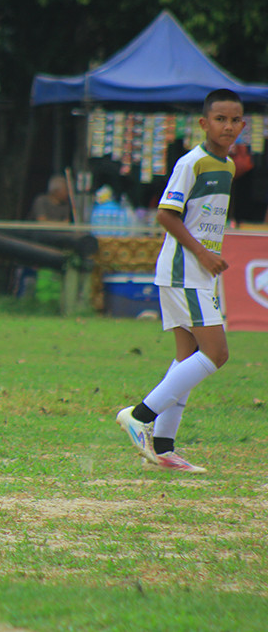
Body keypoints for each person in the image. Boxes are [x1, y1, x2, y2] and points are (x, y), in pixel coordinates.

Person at [115, 89, 245, 474]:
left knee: (188, 359)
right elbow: (166, 215)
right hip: (182, 271)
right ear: (204, 124)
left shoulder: (229, 166)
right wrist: (203, 253)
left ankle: (164, 449)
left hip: (198, 273)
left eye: (234, 120)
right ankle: (139, 415)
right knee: (216, 354)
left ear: (242, 125)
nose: (227, 126)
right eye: (219, 119)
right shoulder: (193, 162)